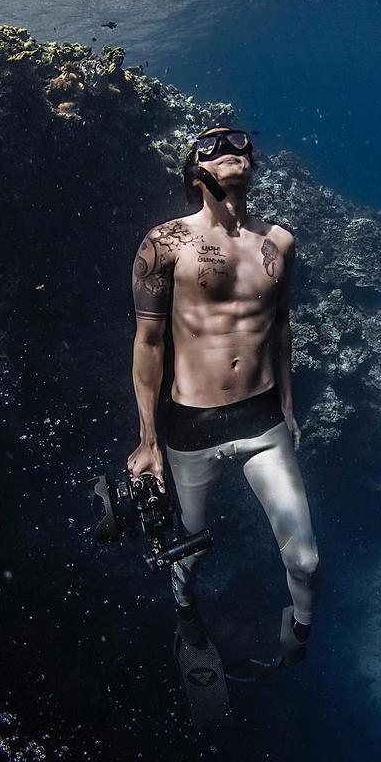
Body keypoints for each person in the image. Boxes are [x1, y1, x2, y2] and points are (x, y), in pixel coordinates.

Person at [127, 125, 320, 665]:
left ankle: (298, 635)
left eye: (239, 144)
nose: (232, 151)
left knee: (305, 560)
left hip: (262, 419)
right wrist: (148, 440)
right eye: (213, 146)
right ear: (195, 172)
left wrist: (287, 402)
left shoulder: (279, 241)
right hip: (192, 423)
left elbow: (281, 326)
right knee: (190, 545)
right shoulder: (164, 243)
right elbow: (148, 341)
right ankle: (185, 606)